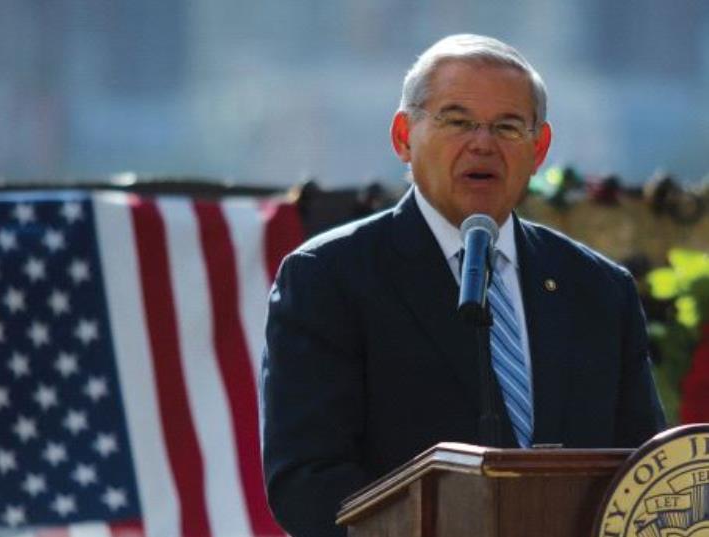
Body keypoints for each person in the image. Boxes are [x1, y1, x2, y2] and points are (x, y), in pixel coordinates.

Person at [260, 34, 665, 537]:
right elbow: (307, 481)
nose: (483, 143)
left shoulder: (600, 289)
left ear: (539, 149)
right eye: (457, 121)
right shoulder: (329, 276)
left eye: (508, 126)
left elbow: (646, 473)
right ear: (403, 136)